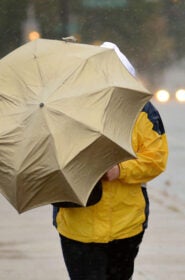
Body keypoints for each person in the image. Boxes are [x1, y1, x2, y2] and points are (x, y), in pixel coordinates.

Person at [53, 42, 168, 280]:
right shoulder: (66, 110)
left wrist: (120, 170)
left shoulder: (143, 112)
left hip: (126, 225)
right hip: (77, 225)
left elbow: (156, 159)